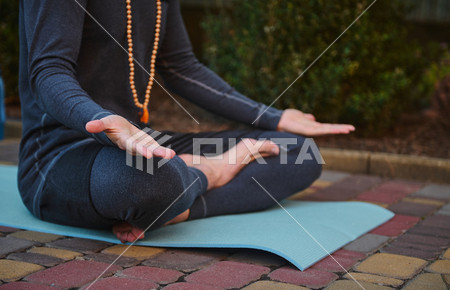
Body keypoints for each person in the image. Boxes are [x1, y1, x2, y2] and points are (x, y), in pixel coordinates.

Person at [18, 0, 354, 243]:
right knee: (143, 181)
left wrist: (276, 117)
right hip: (61, 154)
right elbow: (48, 70)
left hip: (142, 144)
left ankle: (178, 206)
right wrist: (101, 119)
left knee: (299, 151)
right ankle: (206, 173)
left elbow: (181, 67)